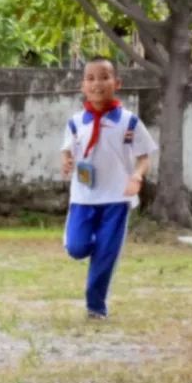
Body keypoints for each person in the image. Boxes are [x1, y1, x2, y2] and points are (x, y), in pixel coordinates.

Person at [60, 57, 157, 319]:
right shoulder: (76, 122)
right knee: (76, 248)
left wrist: (136, 176)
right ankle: (86, 244)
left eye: (104, 77)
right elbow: (67, 150)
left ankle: (96, 307)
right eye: (90, 78)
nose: (97, 84)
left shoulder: (129, 122)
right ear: (83, 86)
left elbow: (145, 156)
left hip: (116, 198)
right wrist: (67, 160)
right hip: (83, 197)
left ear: (117, 83)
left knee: (106, 255)